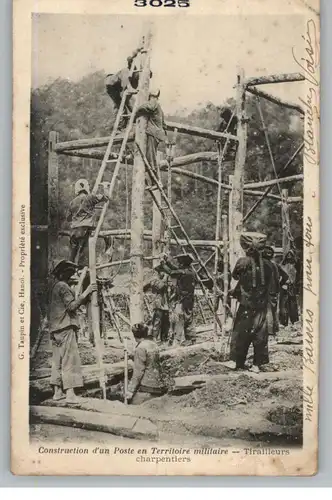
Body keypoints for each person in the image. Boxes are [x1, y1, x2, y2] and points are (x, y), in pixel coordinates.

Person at [48, 259, 97, 403]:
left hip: (55, 329)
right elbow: (71, 306)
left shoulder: (54, 287)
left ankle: (57, 392)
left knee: (57, 360)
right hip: (65, 327)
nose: (72, 275)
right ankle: (70, 394)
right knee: (70, 360)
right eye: (70, 272)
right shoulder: (63, 286)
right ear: (64, 273)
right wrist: (87, 292)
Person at [230, 233, 274, 373]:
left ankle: (238, 362)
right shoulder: (268, 265)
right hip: (261, 305)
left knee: (241, 333)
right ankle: (257, 364)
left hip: (246, 304)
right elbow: (272, 285)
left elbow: (235, 275)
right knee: (260, 335)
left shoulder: (243, 262)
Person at [66, 179, 109, 266]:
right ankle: (83, 275)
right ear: (85, 187)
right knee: (83, 255)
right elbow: (106, 198)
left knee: (72, 255)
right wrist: (105, 187)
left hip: (74, 230)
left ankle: (68, 273)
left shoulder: (72, 202)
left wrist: (77, 215)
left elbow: (68, 218)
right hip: (84, 229)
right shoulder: (90, 197)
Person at [126, 323, 167, 405]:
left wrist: (130, 390)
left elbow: (138, 371)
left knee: (133, 404)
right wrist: (134, 356)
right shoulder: (153, 344)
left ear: (134, 335)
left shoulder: (140, 348)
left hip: (148, 385)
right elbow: (150, 360)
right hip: (160, 383)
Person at [162, 253, 196, 346]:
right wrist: (167, 262)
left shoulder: (185, 272)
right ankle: (191, 338)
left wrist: (162, 265)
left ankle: (180, 339)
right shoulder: (189, 271)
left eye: (180, 262)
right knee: (188, 317)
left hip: (184, 299)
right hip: (188, 298)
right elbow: (175, 269)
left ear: (184, 263)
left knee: (181, 318)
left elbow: (172, 272)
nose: (179, 263)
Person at [135, 88, 168, 170]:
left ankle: (152, 170)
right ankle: (152, 169)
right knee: (152, 153)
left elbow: (149, 107)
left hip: (154, 132)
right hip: (158, 133)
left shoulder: (154, 104)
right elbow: (164, 124)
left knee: (151, 154)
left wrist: (138, 109)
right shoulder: (160, 109)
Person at [262, 246, 289, 335]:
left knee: (267, 310)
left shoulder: (262, 264)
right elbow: (285, 277)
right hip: (274, 291)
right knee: (273, 310)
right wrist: (278, 285)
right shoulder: (275, 265)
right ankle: (274, 329)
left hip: (264, 291)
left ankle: (269, 331)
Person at [143, 262, 170, 343]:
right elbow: (160, 287)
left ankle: (164, 339)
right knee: (157, 322)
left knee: (166, 323)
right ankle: (154, 339)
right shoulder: (155, 280)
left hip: (166, 305)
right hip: (158, 304)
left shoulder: (166, 281)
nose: (164, 273)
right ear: (159, 272)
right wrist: (165, 278)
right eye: (163, 271)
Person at [279, 249, 300, 327]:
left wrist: (293, 283)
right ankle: (283, 321)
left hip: (292, 286)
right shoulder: (282, 265)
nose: (289, 257)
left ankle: (294, 320)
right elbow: (279, 275)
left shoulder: (295, 265)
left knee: (292, 303)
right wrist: (282, 283)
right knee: (283, 304)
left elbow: (297, 276)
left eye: (291, 255)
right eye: (288, 255)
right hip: (283, 286)